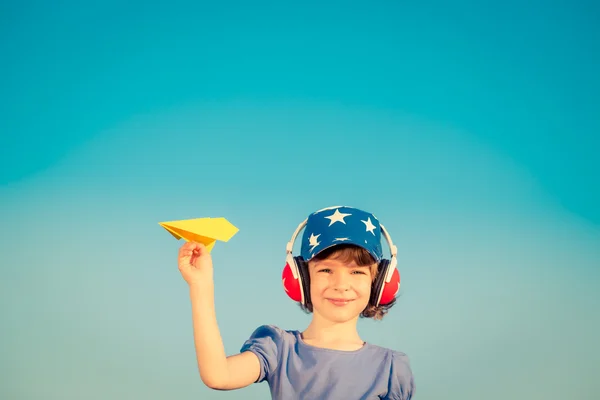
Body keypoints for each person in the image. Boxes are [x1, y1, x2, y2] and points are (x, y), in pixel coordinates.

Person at [178, 205, 415, 399]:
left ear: (379, 282)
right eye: (325, 270)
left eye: (357, 272)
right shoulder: (279, 349)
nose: (341, 284)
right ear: (299, 278)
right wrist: (201, 286)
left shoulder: (390, 369)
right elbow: (218, 376)